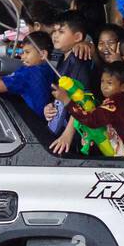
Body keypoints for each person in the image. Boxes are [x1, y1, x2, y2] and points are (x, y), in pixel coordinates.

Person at [53, 62, 124, 159]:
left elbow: (91, 120)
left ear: (123, 87)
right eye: (102, 81)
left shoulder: (114, 104)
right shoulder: (119, 100)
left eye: (109, 83)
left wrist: (67, 100)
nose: (104, 86)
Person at [44, 12, 99, 154]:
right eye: (54, 31)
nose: (55, 35)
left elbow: (82, 99)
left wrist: (68, 134)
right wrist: (49, 107)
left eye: (61, 31)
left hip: (76, 135)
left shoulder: (79, 58)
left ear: (78, 37)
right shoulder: (63, 59)